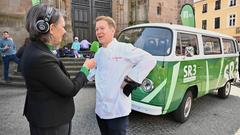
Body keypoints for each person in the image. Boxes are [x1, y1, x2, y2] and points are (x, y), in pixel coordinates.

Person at [21, 4, 96, 135]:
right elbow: (70, 89)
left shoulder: (35, 49)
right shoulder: (42, 58)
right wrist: (85, 68)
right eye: (62, 26)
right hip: (51, 122)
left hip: (44, 116)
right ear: (51, 28)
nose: (65, 31)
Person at [93, 16, 156, 135]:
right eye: (96, 29)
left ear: (112, 30)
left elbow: (150, 60)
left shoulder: (124, 48)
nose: (98, 32)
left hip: (117, 111)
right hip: (100, 110)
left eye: (102, 28)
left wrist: (131, 79)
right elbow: (96, 73)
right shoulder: (98, 53)